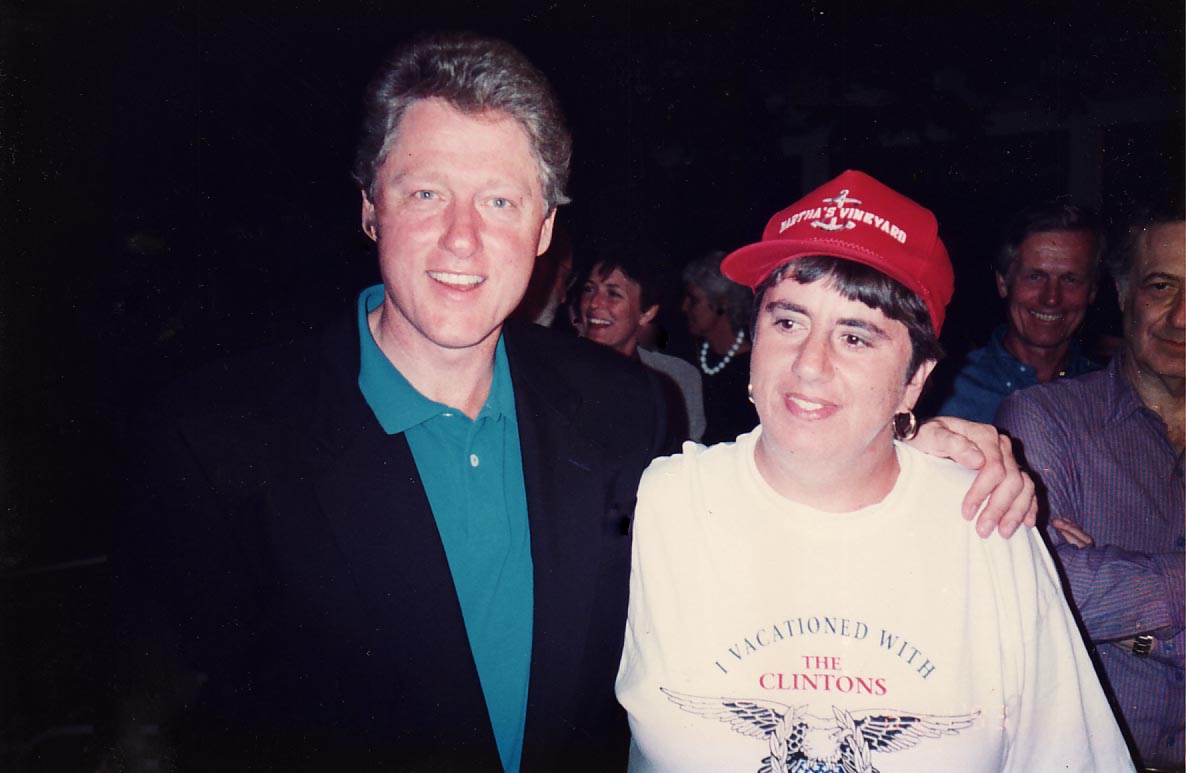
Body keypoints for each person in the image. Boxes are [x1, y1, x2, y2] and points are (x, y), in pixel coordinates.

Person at [117, 34, 1035, 773]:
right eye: (426, 192)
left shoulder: (623, 411)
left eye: (503, 200)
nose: (462, 239)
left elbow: (794, 506)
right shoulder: (220, 436)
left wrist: (929, 446)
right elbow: (189, 718)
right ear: (370, 208)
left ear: (546, 226)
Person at [616, 170, 1133, 772]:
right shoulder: (665, 503)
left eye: (856, 337)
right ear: (753, 341)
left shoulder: (985, 525)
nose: (809, 365)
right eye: (788, 322)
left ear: (914, 379)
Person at [996, 207, 1184, 771]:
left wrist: (1138, 631)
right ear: (1125, 295)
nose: (1180, 317)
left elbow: (1081, 593)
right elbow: (1038, 590)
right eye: (1161, 286)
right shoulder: (1043, 419)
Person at [932, 201, 1103, 422]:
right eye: (1035, 277)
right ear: (1003, 283)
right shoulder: (946, 390)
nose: (1051, 298)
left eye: (1070, 280)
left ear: (1092, 291)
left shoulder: (1108, 393)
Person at [580, 252, 707, 441]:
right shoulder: (557, 367)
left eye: (613, 294)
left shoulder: (679, 380)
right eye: (589, 289)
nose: (594, 303)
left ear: (646, 313)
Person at [681, 250, 758, 444]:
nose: (684, 307)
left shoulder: (752, 370)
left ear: (722, 303)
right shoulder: (687, 353)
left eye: (694, 300)